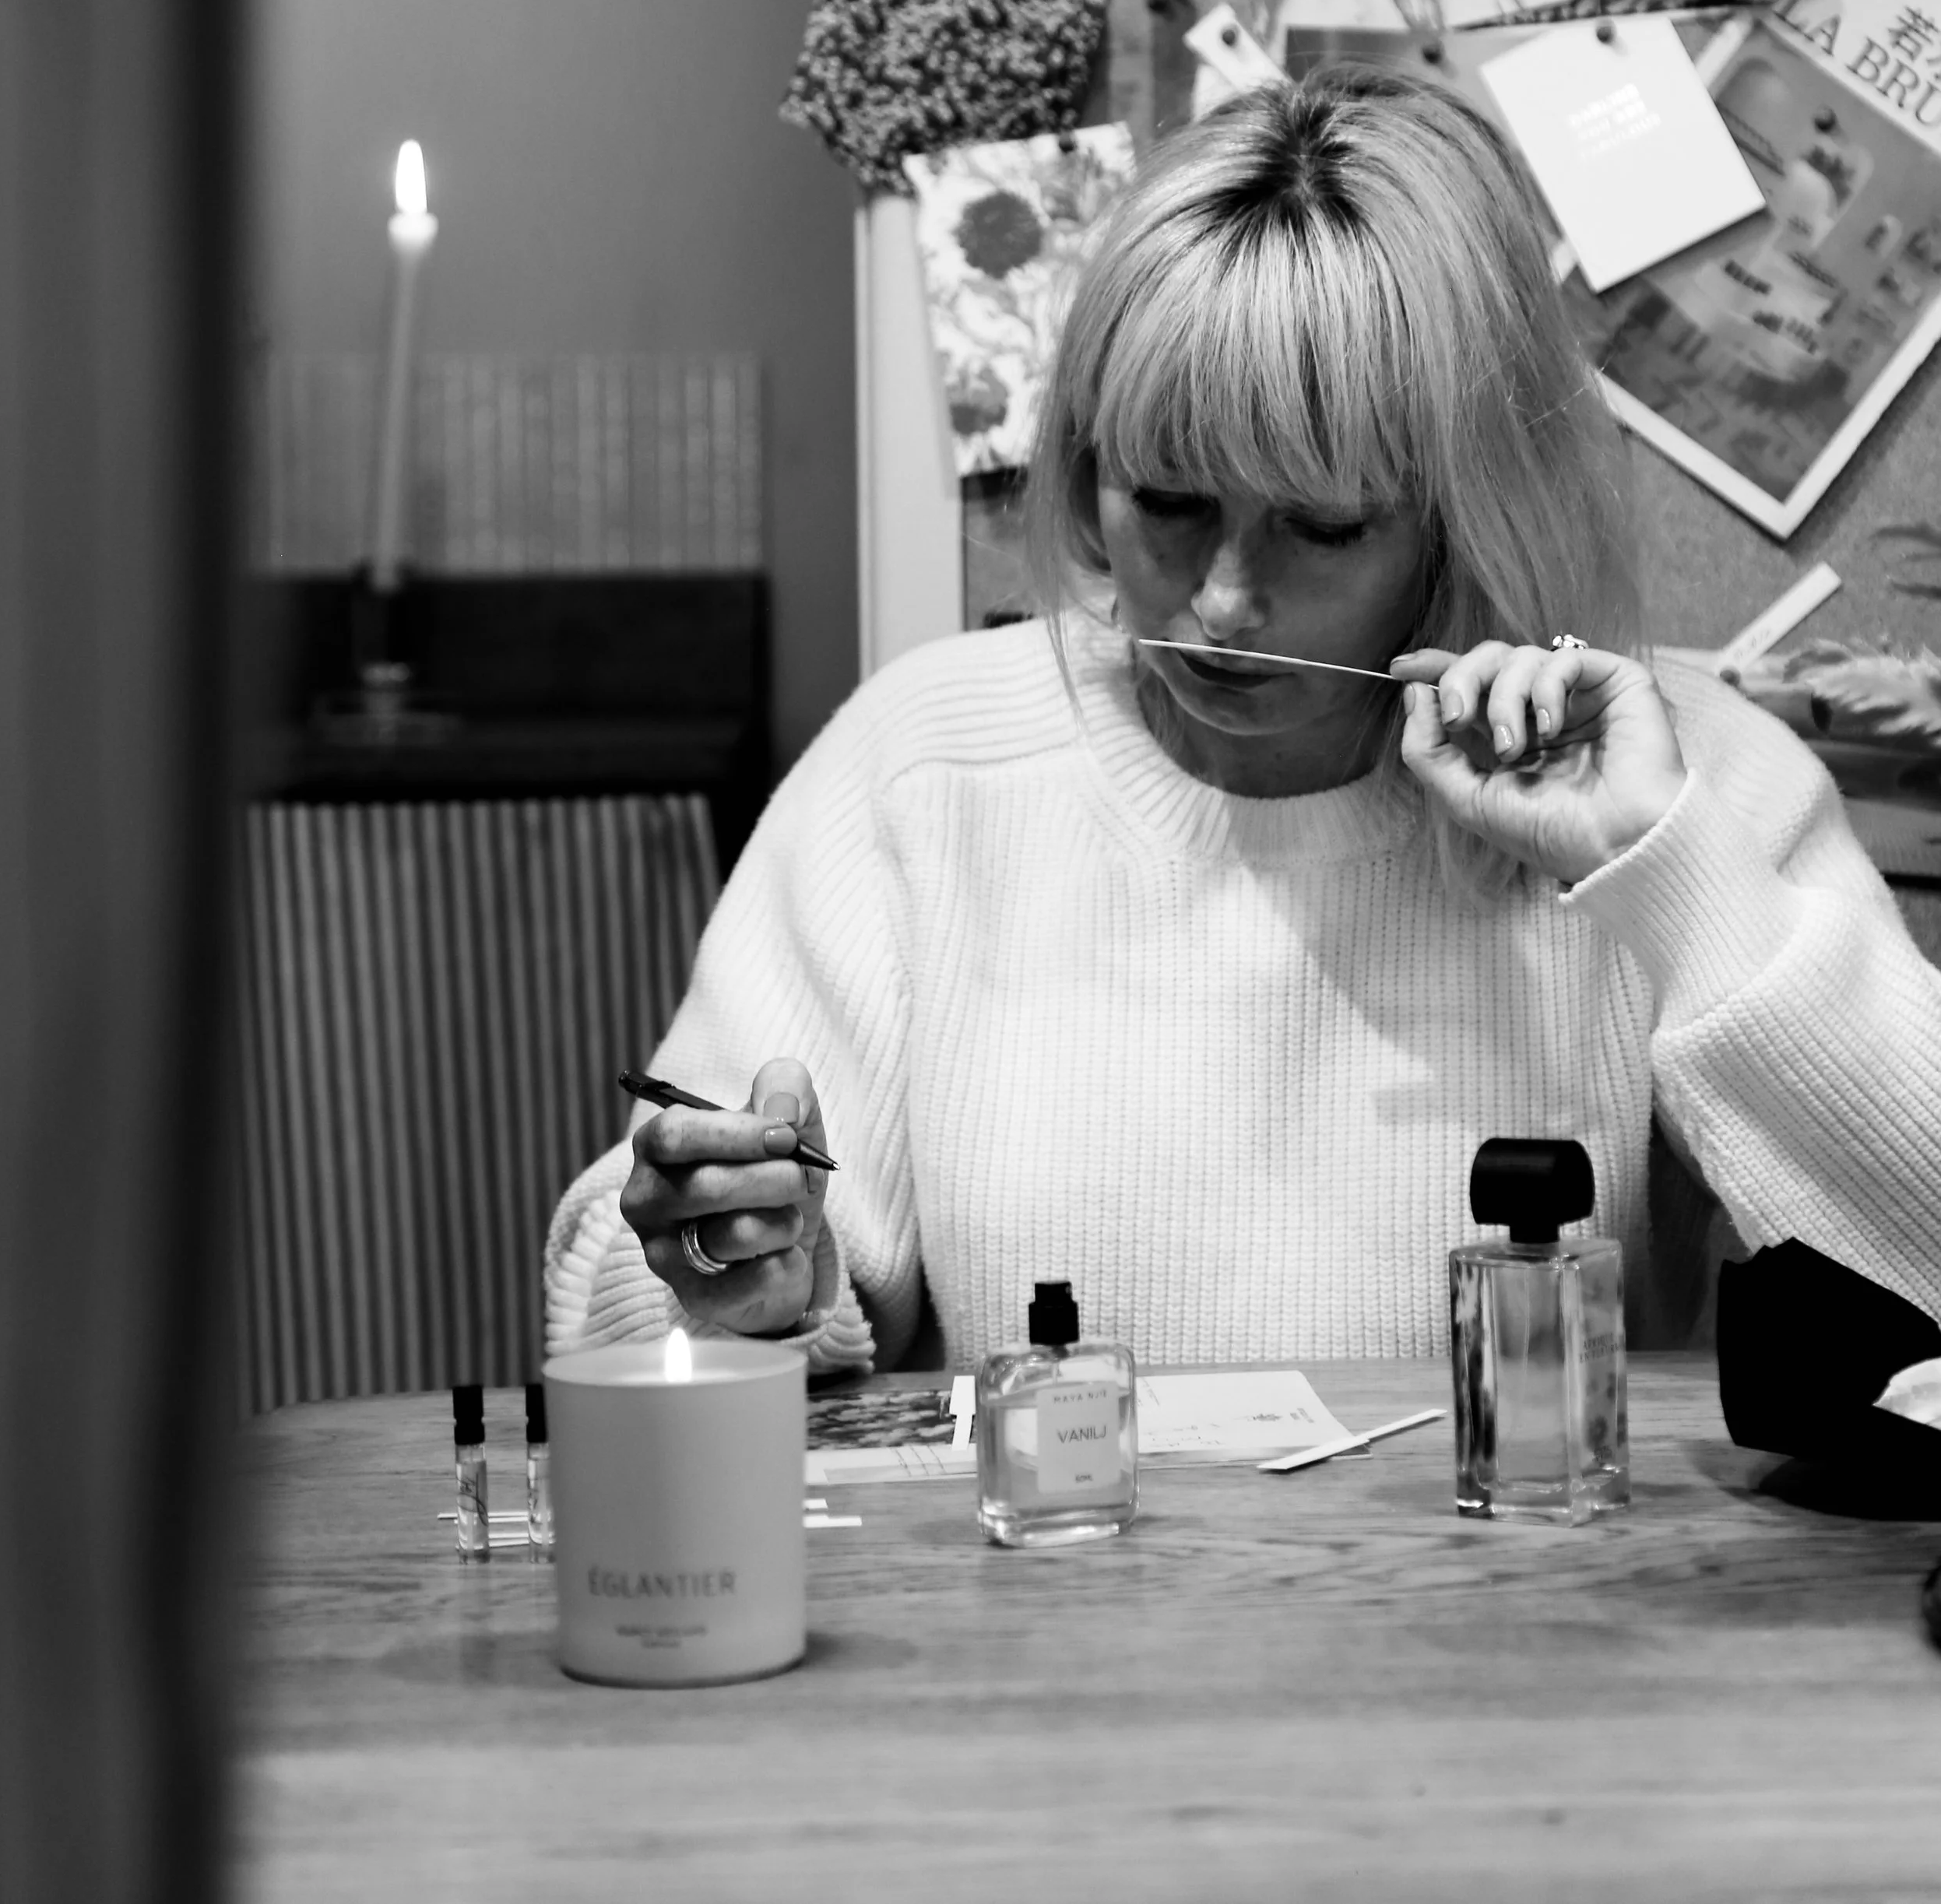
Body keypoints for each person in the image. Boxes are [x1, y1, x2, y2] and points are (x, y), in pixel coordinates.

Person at [547, 73, 1941, 1373]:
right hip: (1052, 1605)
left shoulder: (1680, 776)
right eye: (1167, 503)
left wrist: (1665, 869)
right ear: (1089, 466)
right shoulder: (927, 760)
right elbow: (647, 1287)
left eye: (1322, 527)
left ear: (1464, 514)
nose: (1221, 600)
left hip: (1528, 1624)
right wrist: (729, 1279)